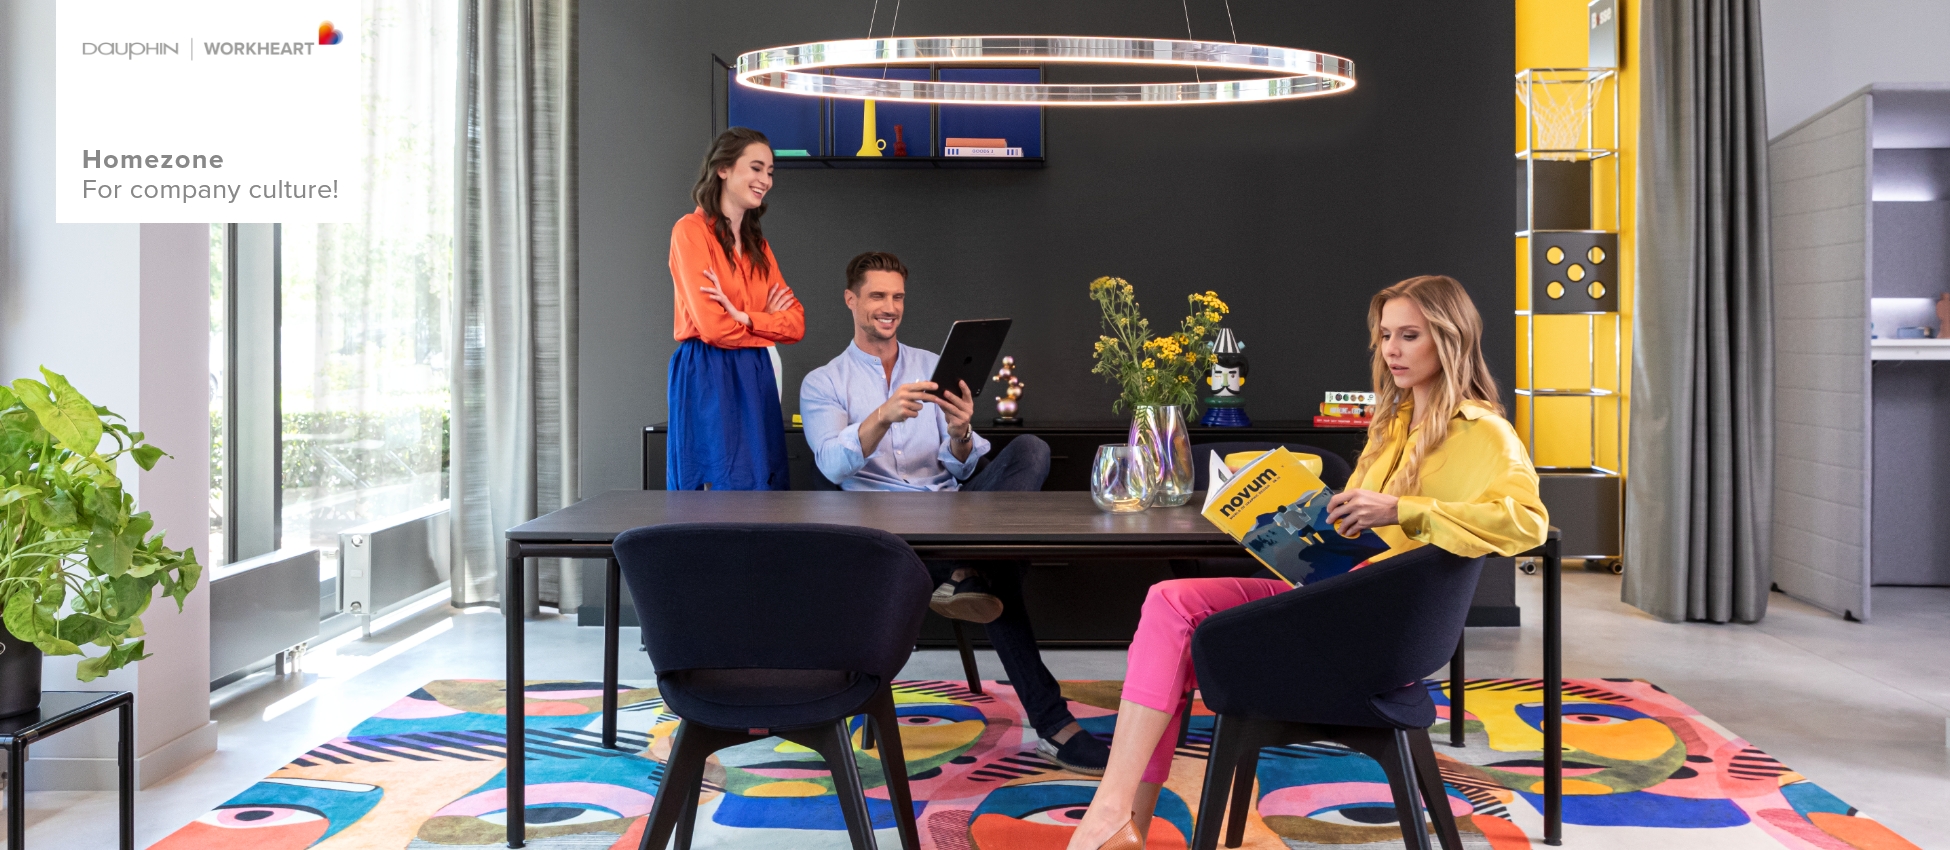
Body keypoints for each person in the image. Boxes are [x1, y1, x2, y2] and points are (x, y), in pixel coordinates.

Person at [1063, 275, 1549, 850]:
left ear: (1450, 339)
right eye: (1385, 335)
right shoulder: (1392, 423)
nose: (1392, 350)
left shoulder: (1484, 431)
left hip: (1381, 630)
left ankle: (1115, 820)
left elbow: (1528, 523)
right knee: (1169, 605)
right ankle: (1121, 818)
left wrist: (1401, 509)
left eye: (1409, 335)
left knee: (1176, 639)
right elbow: (1356, 535)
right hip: (1334, 599)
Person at [799, 251, 1113, 775]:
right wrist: (882, 416)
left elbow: (965, 468)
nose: (889, 307)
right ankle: (1053, 723)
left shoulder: (932, 367)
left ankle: (971, 569)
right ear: (851, 299)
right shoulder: (824, 382)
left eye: (897, 296)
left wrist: (961, 432)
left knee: (1030, 449)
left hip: (953, 518)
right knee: (1000, 575)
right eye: (877, 296)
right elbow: (830, 463)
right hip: (889, 536)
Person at [666, 127, 805, 490]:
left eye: (770, 172)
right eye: (756, 168)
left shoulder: (759, 245)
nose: (765, 180)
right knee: (716, 489)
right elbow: (712, 328)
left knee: (764, 485)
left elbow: (796, 324)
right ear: (723, 168)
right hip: (708, 371)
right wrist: (766, 322)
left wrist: (743, 317)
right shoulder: (690, 231)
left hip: (757, 371)